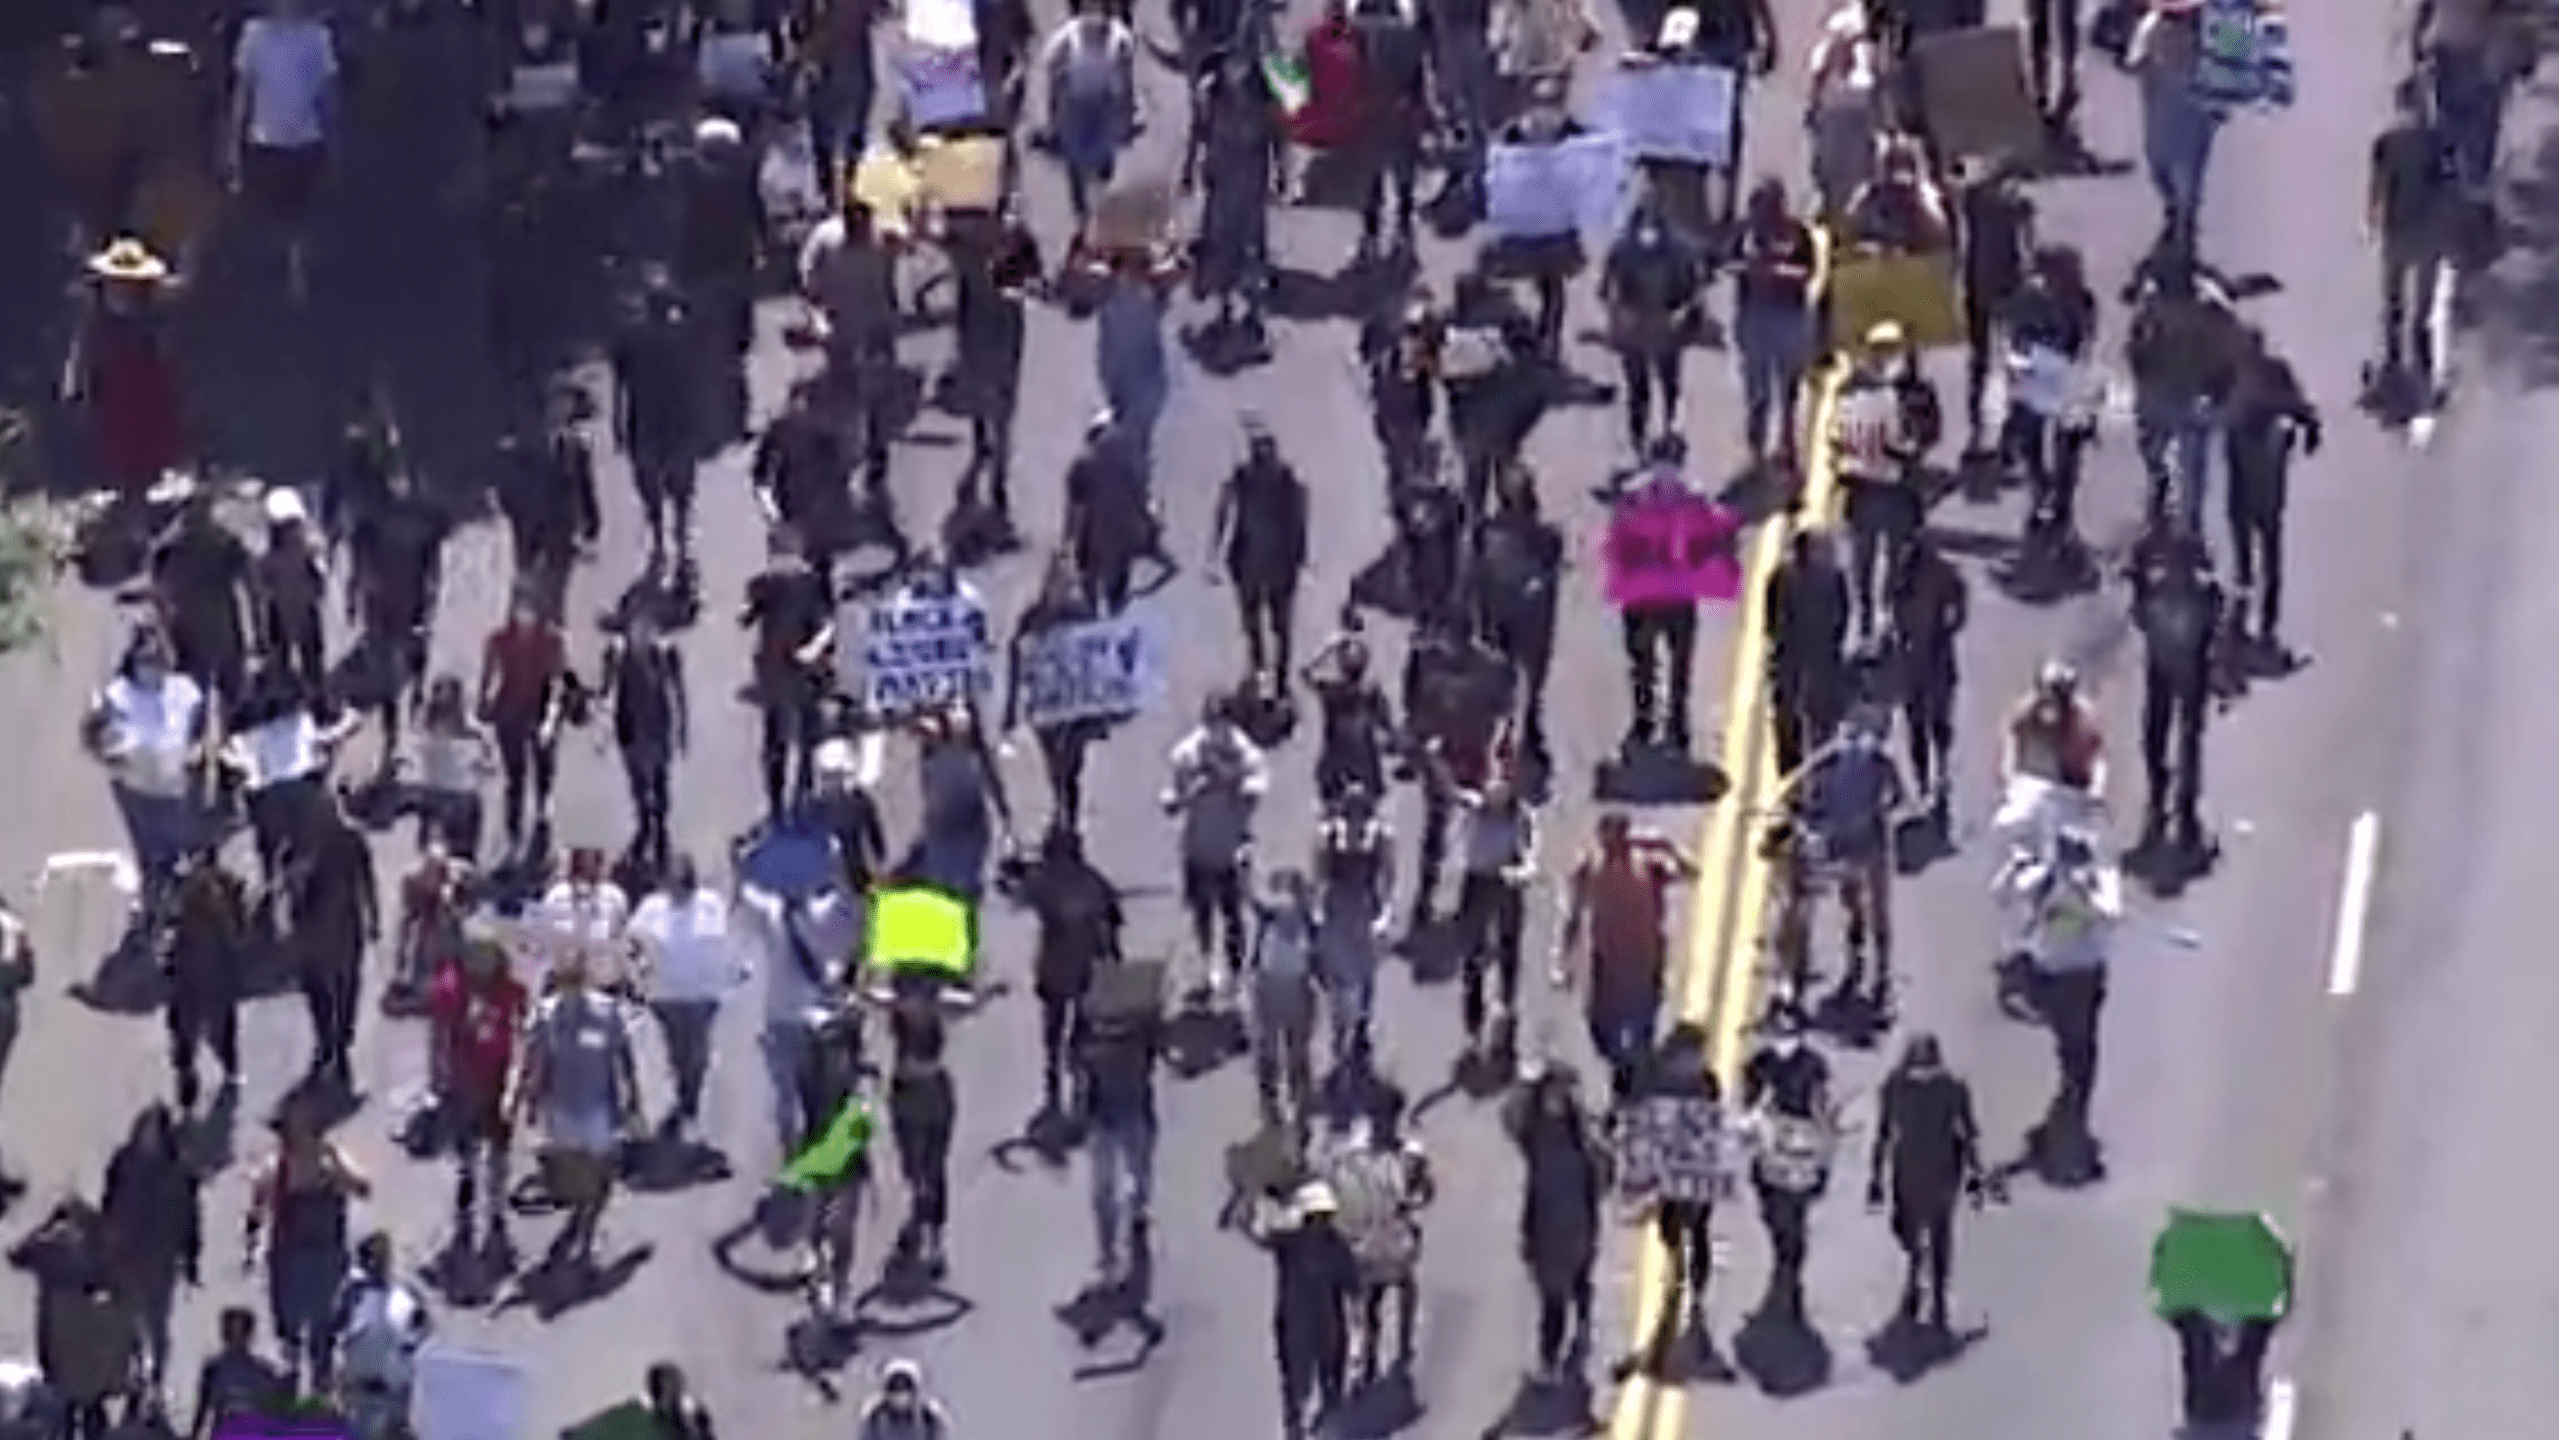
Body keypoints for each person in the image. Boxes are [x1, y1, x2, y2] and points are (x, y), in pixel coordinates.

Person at [512, 946, 644, 1275]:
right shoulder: (546, 1015)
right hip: (562, 1108)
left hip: (598, 1106)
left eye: (576, 979)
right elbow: (533, 1061)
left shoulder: (607, 1011)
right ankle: (581, 1215)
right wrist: (526, 1102)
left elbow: (623, 1058)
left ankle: (587, 1231)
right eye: (564, 980)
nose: (570, 987)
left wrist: (633, 1100)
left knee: (605, 1170)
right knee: (572, 1172)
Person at [1554, 812, 1696, 1105]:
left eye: (1620, 836)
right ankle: (1624, 1073)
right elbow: (1573, 914)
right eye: (1609, 838)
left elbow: (1690, 873)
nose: (1614, 844)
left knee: (1642, 1029)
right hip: (1608, 963)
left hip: (1645, 961)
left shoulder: (1647, 865)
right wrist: (1563, 961)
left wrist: (1667, 846)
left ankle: (1632, 1090)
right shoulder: (1589, 869)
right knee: (1600, 1030)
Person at [82, 626, 210, 923]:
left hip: (173, 784)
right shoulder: (119, 696)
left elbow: (201, 729)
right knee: (148, 848)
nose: (153, 672)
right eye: (147, 664)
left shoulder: (185, 692)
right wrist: (110, 757)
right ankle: (153, 904)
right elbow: (93, 735)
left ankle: (180, 899)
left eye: (158, 663)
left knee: (178, 844)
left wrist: (197, 750)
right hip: (136, 789)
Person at [245, 1093, 368, 1389]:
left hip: (326, 1257)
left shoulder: (333, 1161)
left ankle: (320, 1399)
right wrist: (251, 1244)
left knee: (323, 1336)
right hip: (290, 1259)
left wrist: (334, 1164)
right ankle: (291, 1393)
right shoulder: (277, 1167)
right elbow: (257, 1205)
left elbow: (362, 1187)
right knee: (290, 1335)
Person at [1866, 1033, 1984, 1330]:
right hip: (1915, 1168)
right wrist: (1876, 1179)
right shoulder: (1898, 1088)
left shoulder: (1947, 1089)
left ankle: (1933, 1299)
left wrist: (1975, 1172)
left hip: (1935, 1169)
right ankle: (1921, 1286)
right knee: (1911, 1230)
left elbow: (1967, 1133)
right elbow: (1884, 1133)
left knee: (1935, 1232)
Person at [229, 0, 339, 299]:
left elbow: (327, 92)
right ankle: (281, 262)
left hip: (307, 136)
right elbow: (244, 91)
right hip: (265, 137)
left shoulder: (317, 36)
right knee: (272, 208)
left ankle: (295, 267)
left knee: (301, 209)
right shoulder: (255, 34)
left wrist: (332, 132)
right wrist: (234, 141)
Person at [1163, 693, 1268, 1000]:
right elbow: (1172, 799)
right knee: (1202, 911)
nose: (1216, 732)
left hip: (1232, 847)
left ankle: (1237, 974)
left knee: (1234, 913)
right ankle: (1207, 964)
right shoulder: (1187, 753)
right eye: (1211, 724)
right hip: (1197, 845)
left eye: (1221, 724)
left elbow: (1256, 791)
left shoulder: (1245, 753)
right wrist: (1186, 794)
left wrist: (1227, 779)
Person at [64, 239, 186, 501]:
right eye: (116, 282)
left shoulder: (155, 322)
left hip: (145, 398)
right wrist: (74, 388)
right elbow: (81, 355)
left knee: (145, 446)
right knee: (108, 441)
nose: (121, 289)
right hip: (106, 396)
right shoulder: (95, 320)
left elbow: (167, 368)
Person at [429, 936, 527, 1263]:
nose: (481, 963)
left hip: (497, 1083)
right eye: (476, 956)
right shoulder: (450, 987)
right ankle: (465, 1209)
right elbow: (439, 1037)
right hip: (464, 1085)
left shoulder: (509, 988)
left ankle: (496, 1212)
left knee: (499, 1154)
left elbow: (520, 1029)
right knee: (467, 1156)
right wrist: (438, 1079)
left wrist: (517, 1082)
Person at [1507, 1067, 1604, 1382]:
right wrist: (1524, 1084)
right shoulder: (1535, 1133)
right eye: (1552, 1093)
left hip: (1576, 1222)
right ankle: (1553, 1356)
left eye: (1562, 1095)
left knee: (1568, 1289)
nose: (1557, 1101)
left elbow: (1601, 1175)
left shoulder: (1582, 1136)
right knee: (1554, 1296)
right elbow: (1510, 1121)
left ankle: (1556, 1353)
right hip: (1544, 1224)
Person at [1740, 1004, 1834, 1320]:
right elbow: (1749, 1106)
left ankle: (1790, 1262)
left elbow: (1822, 1111)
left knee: (1795, 1213)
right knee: (1771, 1211)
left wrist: (1824, 1157)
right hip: (1771, 1154)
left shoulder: (1815, 1067)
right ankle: (1784, 1251)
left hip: (1802, 1155)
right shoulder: (1758, 1066)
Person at [631, 856, 735, 1139]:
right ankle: (683, 1089)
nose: (679, 892)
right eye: (675, 886)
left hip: (703, 995)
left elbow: (721, 941)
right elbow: (634, 939)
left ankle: (690, 1099)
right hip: (666, 996)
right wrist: (641, 965)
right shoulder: (652, 908)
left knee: (697, 1054)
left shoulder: (709, 905)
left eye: (684, 886)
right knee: (678, 1051)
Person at [856, 1359, 952, 1440]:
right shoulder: (873, 1415)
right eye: (894, 1388)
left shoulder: (931, 1417)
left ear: (915, 1391)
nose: (899, 1394)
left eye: (905, 1388)